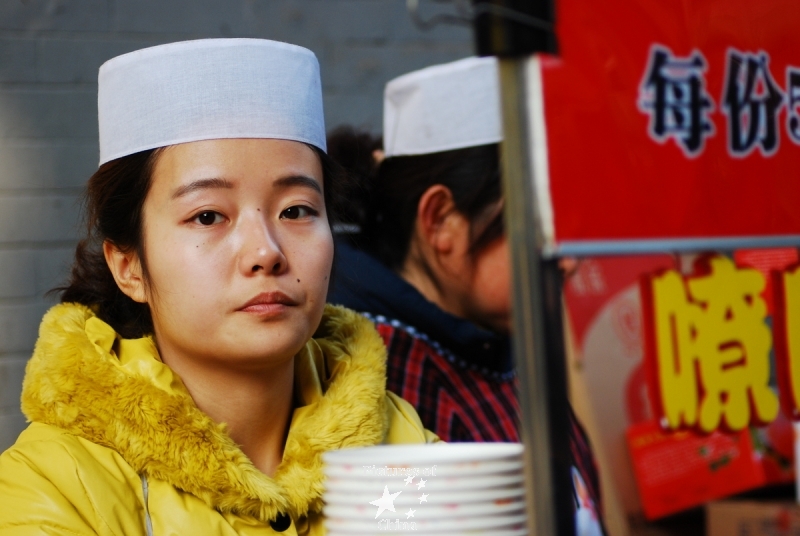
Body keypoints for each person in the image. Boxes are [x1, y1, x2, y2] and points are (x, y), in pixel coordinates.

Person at [0, 39, 435, 536]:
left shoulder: (403, 447)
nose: (265, 251)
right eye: (208, 216)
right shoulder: (51, 487)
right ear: (130, 266)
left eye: (296, 210)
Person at [327, 56, 607, 534]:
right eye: (540, 228)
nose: (567, 260)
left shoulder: (500, 343)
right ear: (440, 221)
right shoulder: (384, 379)